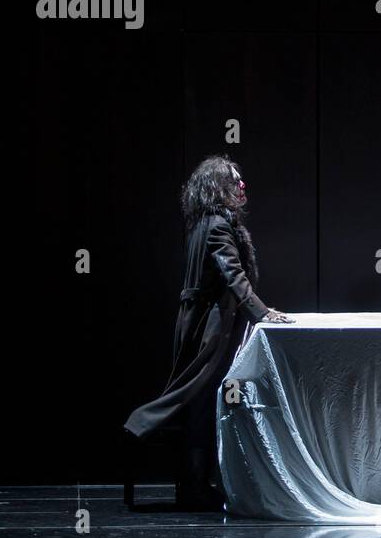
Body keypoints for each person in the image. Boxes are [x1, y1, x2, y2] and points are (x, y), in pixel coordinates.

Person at [123, 154, 294, 510]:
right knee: (199, 400)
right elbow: (233, 276)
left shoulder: (205, 222)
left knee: (201, 401)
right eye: (234, 180)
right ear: (218, 188)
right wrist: (262, 314)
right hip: (208, 328)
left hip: (199, 321)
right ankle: (149, 434)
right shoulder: (216, 225)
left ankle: (194, 484)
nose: (241, 185)